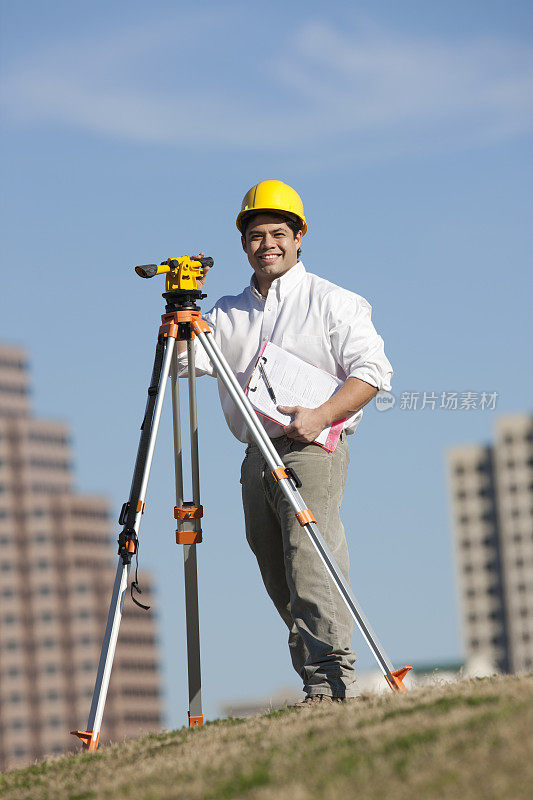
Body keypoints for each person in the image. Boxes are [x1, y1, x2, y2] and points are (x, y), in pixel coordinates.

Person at [177, 180, 392, 704]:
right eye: (255, 235)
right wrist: (179, 327)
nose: (267, 243)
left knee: (310, 560)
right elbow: (185, 366)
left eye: (278, 232)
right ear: (243, 243)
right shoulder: (226, 313)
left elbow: (374, 373)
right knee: (277, 568)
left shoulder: (332, 301)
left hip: (311, 451)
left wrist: (320, 416)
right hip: (256, 455)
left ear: (299, 237)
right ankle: (316, 675)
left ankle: (330, 683)